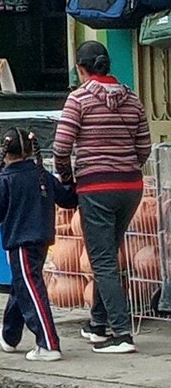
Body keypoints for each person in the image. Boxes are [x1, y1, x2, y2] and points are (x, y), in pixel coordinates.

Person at [53, 41, 151, 355]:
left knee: (103, 260)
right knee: (109, 251)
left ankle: (121, 333)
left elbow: (61, 148)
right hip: (131, 189)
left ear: (81, 69)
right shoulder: (132, 99)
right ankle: (97, 323)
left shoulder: (78, 99)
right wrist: (125, 164)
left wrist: (68, 179)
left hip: (96, 188)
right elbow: (145, 147)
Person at [0, 128, 78, 362]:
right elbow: (68, 199)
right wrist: (71, 180)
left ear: (5, 153)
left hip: (20, 243)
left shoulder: (5, 180)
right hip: (42, 240)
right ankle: (9, 336)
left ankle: (48, 344)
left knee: (30, 288)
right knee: (22, 285)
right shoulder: (42, 175)